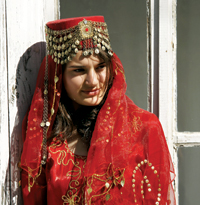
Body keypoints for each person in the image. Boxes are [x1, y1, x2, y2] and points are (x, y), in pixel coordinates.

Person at [20, 16, 176, 205]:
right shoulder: (45, 135)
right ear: (59, 76)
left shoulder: (143, 128)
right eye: (79, 71)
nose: (93, 81)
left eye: (100, 67)